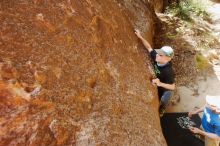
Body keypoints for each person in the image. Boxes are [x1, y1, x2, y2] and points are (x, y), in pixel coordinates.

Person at [135, 29, 175, 117]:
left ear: (167, 59)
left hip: (166, 88)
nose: (157, 55)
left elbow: (172, 86)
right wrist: (140, 36)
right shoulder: (157, 57)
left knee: (164, 98)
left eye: (161, 55)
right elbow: (149, 48)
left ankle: (162, 109)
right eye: (158, 53)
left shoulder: (168, 72)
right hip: (159, 80)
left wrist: (160, 83)